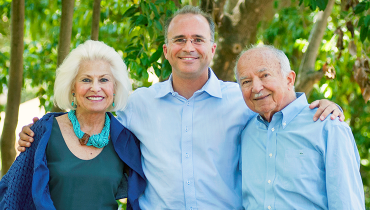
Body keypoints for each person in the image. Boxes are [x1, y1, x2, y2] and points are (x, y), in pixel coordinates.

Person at [18, 6, 343, 209]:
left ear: (212, 49)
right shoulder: (137, 104)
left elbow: (279, 108)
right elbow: (90, 115)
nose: (189, 47)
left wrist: (328, 106)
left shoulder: (241, 100)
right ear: (166, 49)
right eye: (180, 39)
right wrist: (37, 133)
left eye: (198, 39)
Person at [0, 40, 146, 210]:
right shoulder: (43, 132)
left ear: (114, 88)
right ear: (72, 88)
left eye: (104, 79)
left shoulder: (125, 140)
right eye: (86, 79)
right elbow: (13, 193)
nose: (95, 88)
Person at [235, 45, 365, 209]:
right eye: (246, 81)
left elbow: (347, 204)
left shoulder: (328, 126)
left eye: (265, 75)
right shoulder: (245, 132)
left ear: (289, 79)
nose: (256, 87)